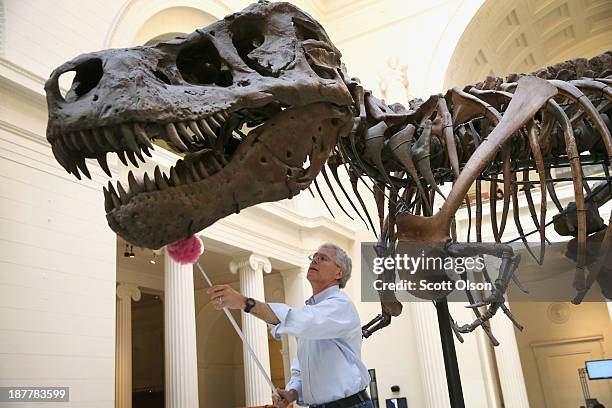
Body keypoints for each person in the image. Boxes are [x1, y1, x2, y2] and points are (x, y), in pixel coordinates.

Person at [207, 243, 373, 408]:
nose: (315, 260)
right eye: (314, 256)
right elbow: (303, 370)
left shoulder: (340, 306)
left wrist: (245, 302)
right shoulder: (310, 312)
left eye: (323, 258)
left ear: (339, 272)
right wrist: (292, 393)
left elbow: (298, 320)